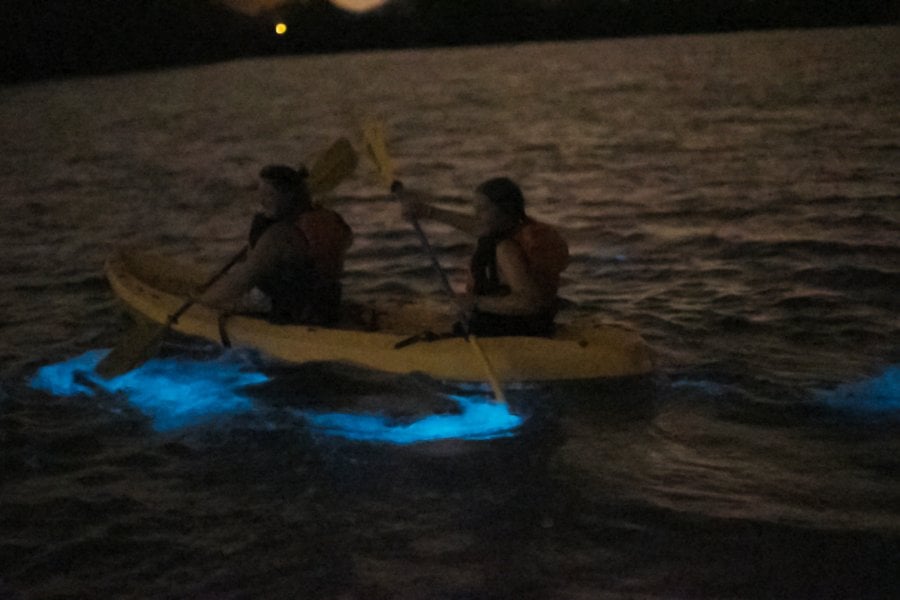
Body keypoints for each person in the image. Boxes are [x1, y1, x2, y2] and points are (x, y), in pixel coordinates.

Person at [397, 176, 569, 337]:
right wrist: (428, 211)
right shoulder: (514, 229)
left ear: (505, 210)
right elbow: (479, 226)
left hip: (518, 330)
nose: (477, 215)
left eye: (484, 209)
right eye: (476, 209)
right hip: (535, 324)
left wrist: (475, 303)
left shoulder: (506, 249)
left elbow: (529, 302)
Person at [200, 164, 353, 325]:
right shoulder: (333, 220)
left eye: (269, 195)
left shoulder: (279, 236)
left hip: (294, 319)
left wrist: (201, 302)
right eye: (261, 194)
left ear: (289, 196)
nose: (262, 201)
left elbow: (241, 282)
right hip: (328, 310)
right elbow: (346, 241)